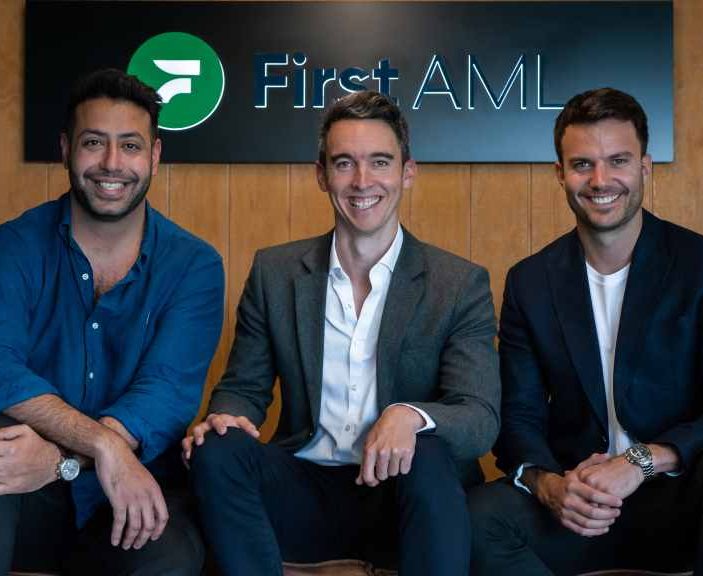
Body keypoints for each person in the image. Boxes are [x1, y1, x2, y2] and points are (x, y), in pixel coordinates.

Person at [184, 90, 500, 576]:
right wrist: (225, 418)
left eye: (380, 162)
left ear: (407, 172)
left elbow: (479, 417)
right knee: (216, 447)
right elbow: (243, 389)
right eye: (344, 163)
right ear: (321, 174)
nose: (362, 181)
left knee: (428, 449)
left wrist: (411, 416)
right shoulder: (275, 273)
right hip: (302, 487)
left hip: (405, 495)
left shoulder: (457, 283)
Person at [469, 87, 703, 576]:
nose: (601, 180)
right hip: (578, 506)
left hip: (678, 502)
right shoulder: (530, 281)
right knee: (476, 516)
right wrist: (550, 487)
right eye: (582, 165)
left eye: (618, 161)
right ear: (560, 174)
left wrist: (640, 460)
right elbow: (518, 419)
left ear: (644, 167)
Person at [0, 68, 224, 576]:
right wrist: (101, 445)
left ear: (154, 155)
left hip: (131, 493)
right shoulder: (9, 248)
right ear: (66, 149)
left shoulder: (194, 265)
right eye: (93, 142)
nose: (112, 163)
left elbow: (165, 394)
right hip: (24, 494)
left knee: (172, 555)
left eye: (130, 145)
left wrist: (65, 461)